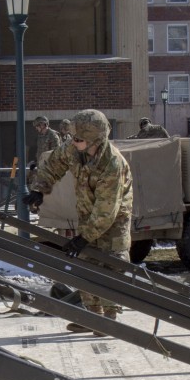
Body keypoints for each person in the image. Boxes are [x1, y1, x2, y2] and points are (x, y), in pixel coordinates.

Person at [23, 109, 133, 334]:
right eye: (74, 137)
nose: (74, 141)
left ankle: (110, 319)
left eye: (79, 138)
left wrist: (84, 237)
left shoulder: (112, 164)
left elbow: (106, 212)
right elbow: (53, 164)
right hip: (88, 213)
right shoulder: (75, 148)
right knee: (84, 264)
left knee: (112, 265)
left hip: (114, 219)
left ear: (95, 139)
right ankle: (93, 317)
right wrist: (39, 190)